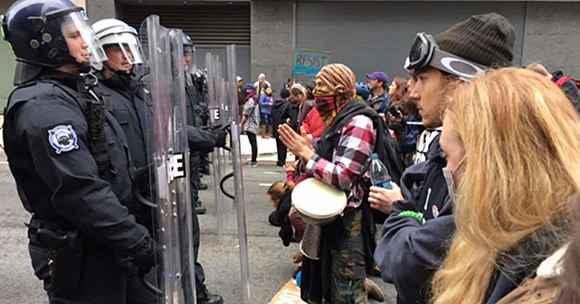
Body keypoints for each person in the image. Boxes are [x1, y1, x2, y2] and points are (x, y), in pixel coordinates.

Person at [2, 1, 156, 303]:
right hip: (84, 255)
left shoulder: (75, 92)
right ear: (46, 43)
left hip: (108, 243)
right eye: (74, 35)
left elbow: (111, 164)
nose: (86, 42)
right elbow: (79, 190)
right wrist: (135, 240)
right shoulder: (45, 107)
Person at [371, 13, 516, 304]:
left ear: (461, 84)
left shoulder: (490, 174)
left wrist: (401, 211)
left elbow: (407, 262)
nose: (412, 91)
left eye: (423, 78)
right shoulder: (446, 154)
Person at [91, 21, 223, 304]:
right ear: (100, 52)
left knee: (171, 265)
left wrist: (208, 137)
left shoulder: (140, 91)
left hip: (158, 194)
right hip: (127, 204)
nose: (126, 57)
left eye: (130, 49)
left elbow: (167, 129)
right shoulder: (96, 97)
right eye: (117, 50)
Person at [430, 68, 580, 303]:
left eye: (446, 154)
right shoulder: (498, 241)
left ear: (486, 167)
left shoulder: (553, 283)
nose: (447, 169)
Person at [279, 63, 378, 304]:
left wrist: (307, 154)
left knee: (346, 290)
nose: (317, 94)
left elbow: (344, 176)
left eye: (322, 87)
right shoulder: (339, 121)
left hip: (347, 221)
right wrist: (306, 153)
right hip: (330, 220)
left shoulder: (359, 123)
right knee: (326, 284)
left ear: (339, 90)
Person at [271, 88, 298, 166]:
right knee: (283, 145)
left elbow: (271, 114)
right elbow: (293, 117)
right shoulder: (287, 104)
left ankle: (279, 160)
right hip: (284, 126)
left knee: (278, 144)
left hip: (275, 126)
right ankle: (282, 161)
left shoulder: (274, 103)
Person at [240, 84, 260, 167]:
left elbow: (246, 114)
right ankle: (253, 160)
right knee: (253, 142)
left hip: (251, 124)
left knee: (253, 142)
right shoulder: (253, 100)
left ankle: (254, 161)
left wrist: (241, 124)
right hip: (252, 124)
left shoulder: (250, 101)